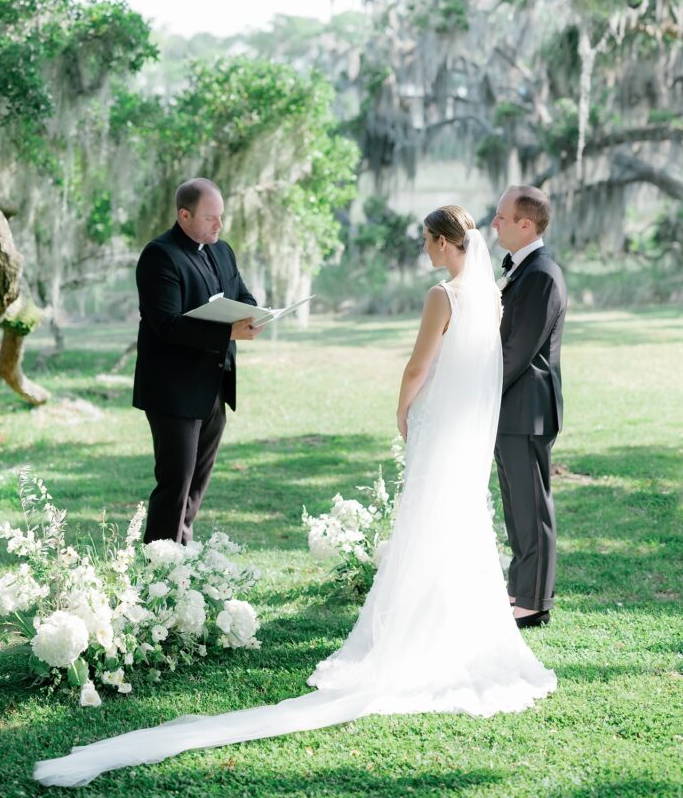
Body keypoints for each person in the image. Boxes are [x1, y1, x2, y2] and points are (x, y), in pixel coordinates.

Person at [34, 205, 555, 788]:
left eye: (428, 241)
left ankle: (415, 635)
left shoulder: (444, 296)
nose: (426, 250)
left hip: (437, 422)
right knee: (460, 526)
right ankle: (458, 628)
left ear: (442, 241)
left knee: (426, 524)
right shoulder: (489, 293)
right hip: (466, 430)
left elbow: (417, 366)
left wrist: (403, 406)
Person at [132, 177, 262, 546]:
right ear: (184, 215)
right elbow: (167, 324)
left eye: (221, 217)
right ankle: (157, 567)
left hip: (214, 386)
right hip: (173, 389)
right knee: (175, 483)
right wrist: (228, 333)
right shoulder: (160, 256)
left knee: (196, 485)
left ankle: (181, 555)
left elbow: (243, 294)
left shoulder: (222, 251)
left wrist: (255, 315)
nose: (219, 225)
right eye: (210, 218)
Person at [491, 186, 567, 629]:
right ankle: (520, 589)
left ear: (526, 224)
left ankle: (534, 600)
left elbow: (516, 352)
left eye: (502, 217)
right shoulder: (523, 270)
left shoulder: (540, 274)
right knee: (516, 506)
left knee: (531, 506)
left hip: (526, 409)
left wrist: (474, 393)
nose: (495, 223)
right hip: (511, 409)